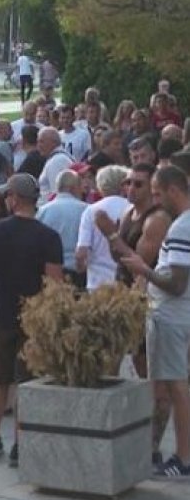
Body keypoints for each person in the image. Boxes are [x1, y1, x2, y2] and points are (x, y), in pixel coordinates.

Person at [0, 174, 63, 467]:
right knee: (27, 381)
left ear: (13, 198)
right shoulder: (48, 237)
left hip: (0, 315)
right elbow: (54, 284)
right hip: (34, 319)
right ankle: (20, 445)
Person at [121, 166, 190, 478]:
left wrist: (142, 269)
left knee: (175, 386)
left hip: (171, 316)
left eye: (159, 193)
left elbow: (176, 283)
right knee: (173, 384)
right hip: (174, 316)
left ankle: (183, 457)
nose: (157, 201)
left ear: (174, 190)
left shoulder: (180, 228)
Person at [95, 163, 171, 380]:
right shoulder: (129, 212)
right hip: (125, 293)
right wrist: (113, 239)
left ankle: (157, 406)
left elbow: (139, 262)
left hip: (149, 297)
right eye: (127, 182)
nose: (130, 188)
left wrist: (111, 234)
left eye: (138, 184)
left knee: (145, 362)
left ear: (151, 188)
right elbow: (117, 257)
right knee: (113, 352)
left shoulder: (156, 219)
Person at [75, 165, 130, 291]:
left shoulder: (91, 211)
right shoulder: (131, 208)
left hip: (97, 281)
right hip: (125, 279)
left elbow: (81, 252)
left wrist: (80, 268)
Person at [36, 170, 88, 288]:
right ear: (73, 188)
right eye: (80, 187)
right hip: (79, 272)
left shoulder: (42, 211)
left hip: (49, 273)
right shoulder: (86, 210)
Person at [36, 127, 73, 205]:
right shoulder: (57, 158)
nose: (38, 145)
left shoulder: (57, 161)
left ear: (54, 142)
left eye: (41, 142)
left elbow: (57, 193)